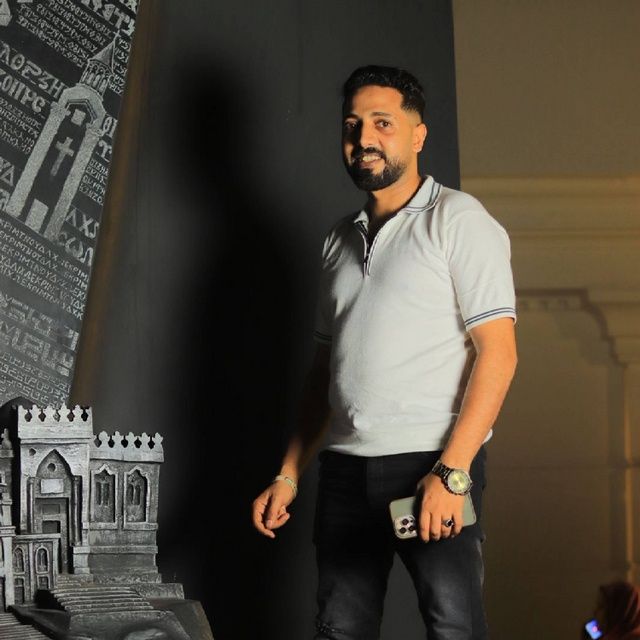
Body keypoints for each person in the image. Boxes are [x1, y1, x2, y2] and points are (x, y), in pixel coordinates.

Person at [252, 65, 518, 640]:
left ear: (418, 134)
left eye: (383, 123)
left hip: (431, 463)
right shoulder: (337, 239)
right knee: (337, 631)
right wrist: (288, 476)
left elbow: (499, 355)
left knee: (454, 630)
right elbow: (323, 374)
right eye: (352, 125)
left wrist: (453, 474)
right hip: (345, 471)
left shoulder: (459, 220)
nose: (364, 138)